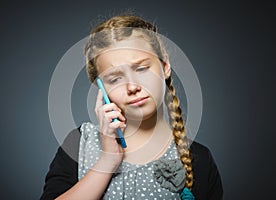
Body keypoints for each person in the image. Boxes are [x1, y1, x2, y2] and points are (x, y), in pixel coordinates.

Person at [40, 14, 223, 200]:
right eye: (115, 79)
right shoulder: (80, 143)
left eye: (142, 69)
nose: (132, 86)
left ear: (165, 66)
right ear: (102, 89)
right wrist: (107, 161)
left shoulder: (198, 159)